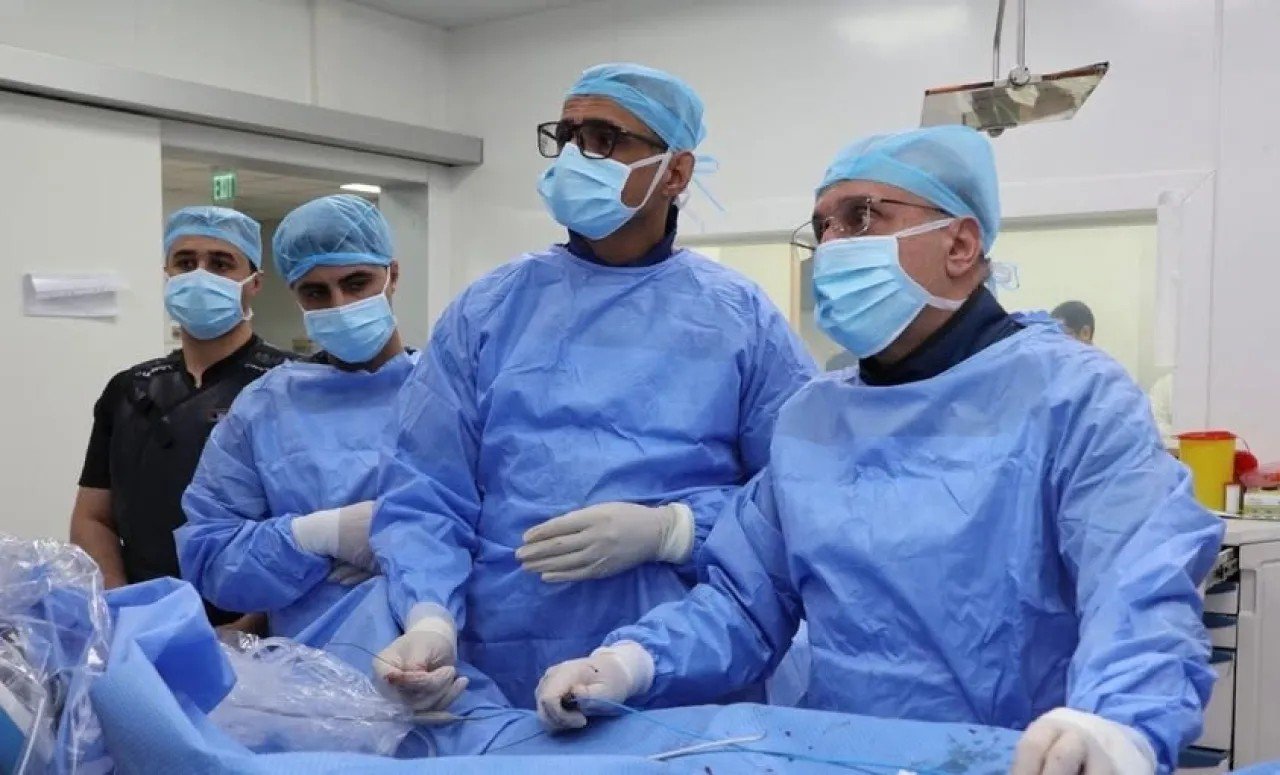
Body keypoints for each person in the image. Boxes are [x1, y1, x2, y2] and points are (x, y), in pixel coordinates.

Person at [536, 126, 1224, 775]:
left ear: (960, 244)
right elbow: (746, 604)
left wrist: (1114, 727)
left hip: (1022, 758)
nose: (833, 245)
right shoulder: (815, 418)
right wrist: (630, 663)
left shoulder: (1073, 398)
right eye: (823, 227)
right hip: (845, 756)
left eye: (861, 216)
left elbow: (1138, 588)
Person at [370, 62, 818, 711]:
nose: (577, 156)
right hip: (498, 679)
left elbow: (796, 495)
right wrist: (430, 619)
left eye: (605, 139)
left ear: (676, 172)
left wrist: (675, 530)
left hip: (685, 683)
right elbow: (424, 490)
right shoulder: (488, 311)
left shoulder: (740, 319)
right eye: (568, 135)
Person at [176, 195, 421, 659]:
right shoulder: (265, 409)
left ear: (392, 275)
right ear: (294, 295)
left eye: (356, 283)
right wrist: (319, 535)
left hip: (453, 663)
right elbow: (211, 557)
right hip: (310, 673)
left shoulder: (449, 393)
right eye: (315, 292)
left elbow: (506, 527)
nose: (340, 304)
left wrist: (415, 550)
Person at [70, 206, 292, 630]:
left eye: (221, 263)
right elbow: (92, 517)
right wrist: (121, 606)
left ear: (254, 283)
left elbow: (308, 526)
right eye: (186, 263)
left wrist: (246, 628)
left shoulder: (290, 385)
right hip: (142, 620)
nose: (200, 275)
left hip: (261, 634)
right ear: (167, 275)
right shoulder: (130, 390)